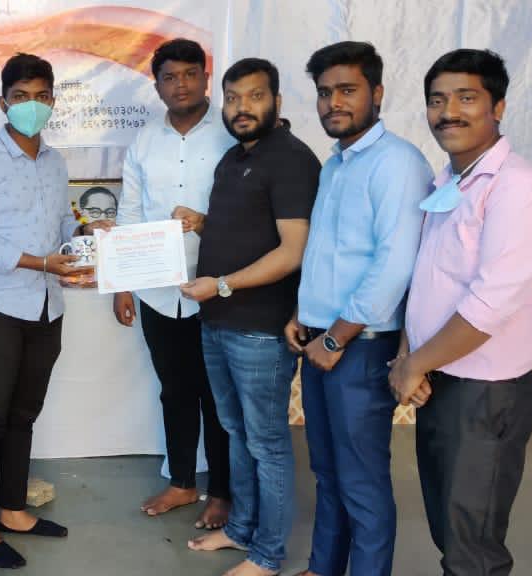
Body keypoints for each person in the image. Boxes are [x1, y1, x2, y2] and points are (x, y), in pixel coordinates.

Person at [392, 48, 532, 576]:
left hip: (485, 392)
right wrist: (410, 356)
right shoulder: (450, 181)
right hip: (441, 380)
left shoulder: (520, 189)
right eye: (437, 100)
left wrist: (414, 363)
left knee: (473, 543)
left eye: (466, 98)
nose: (448, 112)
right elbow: (428, 281)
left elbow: (489, 305)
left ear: (499, 107)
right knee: (452, 530)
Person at [0, 52, 105, 569]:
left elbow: (60, 223)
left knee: (23, 415)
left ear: (53, 102)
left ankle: (14, 511)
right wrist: (39, 261)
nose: (32, 105)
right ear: (3, 103)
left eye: (42, 96)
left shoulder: (55, 162)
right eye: (21, 97)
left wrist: (84, 234)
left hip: (46, 306)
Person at [287, 41, 433, 576]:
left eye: (347, 90)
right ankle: (323, 567)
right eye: (325, 92)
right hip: (322, 341)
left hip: (359, 347)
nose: (333, 103)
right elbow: (329, 254)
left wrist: (335, 338)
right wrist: (303, 315)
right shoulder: (337, 165)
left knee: (362, 482)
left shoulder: (398, 163)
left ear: (377, 93)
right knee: (328, 472)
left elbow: (394, 265)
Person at [181, 57, 320, 576]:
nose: (242, 107)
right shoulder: (235, 158)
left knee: (266, 444)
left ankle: (267, 554)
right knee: (236, 433)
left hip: (260, 328)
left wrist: (221, 284)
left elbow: (292, 250)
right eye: (233, 98)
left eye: (255, 96)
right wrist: (201, 223)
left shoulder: (291, 160)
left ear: (277, 102)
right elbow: (246, 229)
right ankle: (241, 529)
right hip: (218, 321)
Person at [114, 37, 235, 530]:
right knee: (175, 390)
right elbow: (129, 214)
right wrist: (123, 285)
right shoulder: (144, 141)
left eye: (189, 74)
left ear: (206, 78)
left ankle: (223, 491)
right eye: (169, 77)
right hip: (158, 293)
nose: (180, 85)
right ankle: (183, 481)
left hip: (219, 290)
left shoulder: (231, 134)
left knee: (217, 395)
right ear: (157, 84)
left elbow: (250, 212)